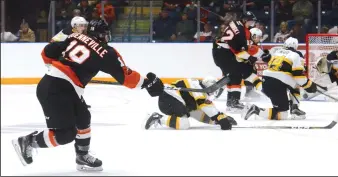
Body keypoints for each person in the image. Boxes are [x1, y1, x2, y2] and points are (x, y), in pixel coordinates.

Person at [11, 19, 162, 171]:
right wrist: (148, 83)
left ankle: (82, 157)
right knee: (65, 134)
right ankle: (29, 141)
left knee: (83, 118)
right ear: (103, 35)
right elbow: (127, 78)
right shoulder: (106, 52)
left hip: (54, 84)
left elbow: (46, 54)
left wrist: (68, 67)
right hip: (58, 90)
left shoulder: (73, 36)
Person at [242, 37, 317, 120]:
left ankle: (294, 108)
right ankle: (256, 109)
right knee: (283, 114)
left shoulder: (276, 51)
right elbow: (298, 76)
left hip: (266, 80)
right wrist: (309, 85)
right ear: (296, 46)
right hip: (277, 83)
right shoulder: (296, 55)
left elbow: (267, 58)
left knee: (292, 88)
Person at [212, 11, 269, 113]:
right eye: (250, 22)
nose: (251, 25)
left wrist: (260, 55)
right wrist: (250, 58)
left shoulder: (238, 25)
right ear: (245, 20)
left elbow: (242, 48)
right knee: (236, 76)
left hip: (220, 51)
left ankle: (231, 103)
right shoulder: (242, 32)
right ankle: (234, 103)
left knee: (232, 76)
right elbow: (239, 51)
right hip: (223, 53)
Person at [145, 77, 236, 130]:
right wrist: (220, 118)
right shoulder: (197, 86)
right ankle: (158, 118)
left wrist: (217, 121)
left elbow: (199, 115)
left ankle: (159, 118)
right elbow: (206, 107)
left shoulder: (196, 93)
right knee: (184, 124)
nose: (214, 92)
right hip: (169, 99)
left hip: (169, 102)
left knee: (186, 119)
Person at [51, 16, 92, 108]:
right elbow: (52, 43)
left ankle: (78, 100)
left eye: (84, 25)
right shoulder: (66, 33)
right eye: (81, 25)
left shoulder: (79, 34)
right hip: (58, 63)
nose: (84, 28)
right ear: (74, 26)